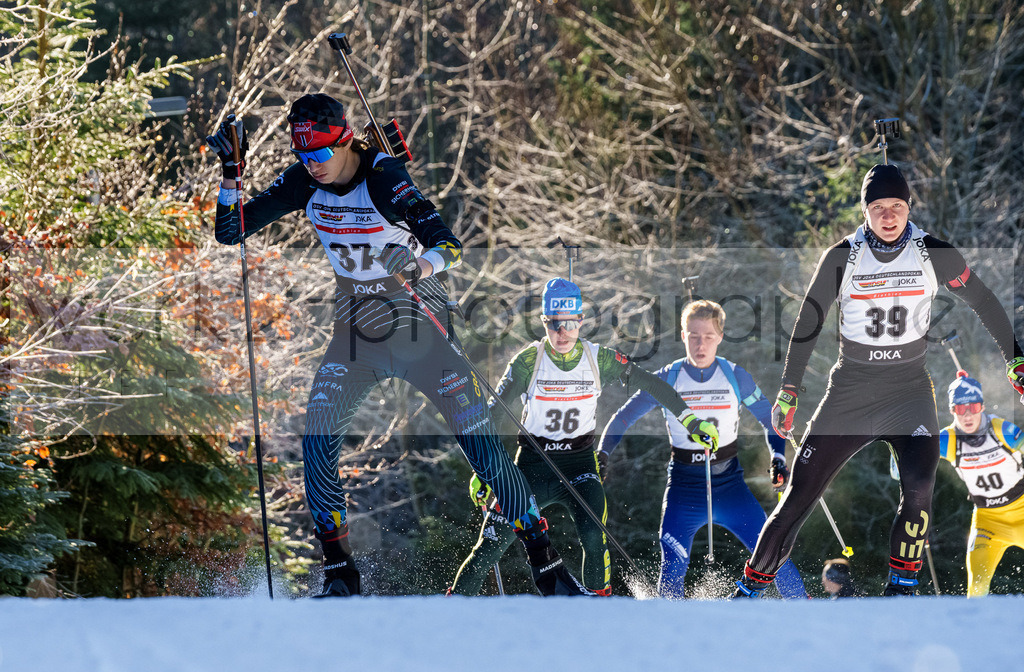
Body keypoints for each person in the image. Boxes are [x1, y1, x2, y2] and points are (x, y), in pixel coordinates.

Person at [206, 94, 592, 596]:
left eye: (320, 156)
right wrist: (233, 172)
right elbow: (231, 231)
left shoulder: (384, 177)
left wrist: (416, 265)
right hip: (357, 332)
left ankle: (547, 567)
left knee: (482, 450)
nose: (312, 167)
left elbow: (448, 244)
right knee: (317, 440)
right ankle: (340, 572)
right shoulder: (304, 180)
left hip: (418, 326)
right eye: (303, 157)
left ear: (345, 141)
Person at [731, 164, 1024, 598]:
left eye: (898, 206)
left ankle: (901, 587)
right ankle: (752, 587)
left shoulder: (934, 253)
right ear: (865, 211)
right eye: (879, 207)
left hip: (908, 390)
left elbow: (982, 299)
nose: (889, 216)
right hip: (852, 388)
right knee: (801, 494)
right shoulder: (841, 257)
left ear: (909, 207)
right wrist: (790, 390)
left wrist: (1015, 358)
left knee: (920, 485)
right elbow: (808, 322)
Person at [448, 278, 719, 595]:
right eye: (553, 324)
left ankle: (597, 608)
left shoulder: (598, 358)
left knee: (593, 534)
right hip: (531, 467)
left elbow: (652, 384)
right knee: (488, 548)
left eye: (568, 324)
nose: (561, 333)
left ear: (580, 321)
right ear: (544, 323)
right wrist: (484, 468)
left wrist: (691, 420)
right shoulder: (528, 361)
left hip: (579, 466)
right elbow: (493, 415)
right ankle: (451, 611)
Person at [598, 300, 807, 599]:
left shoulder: (735, 375)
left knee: (774, 553)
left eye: (708, 336)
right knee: (672, 568)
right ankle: (674, 633)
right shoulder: (667, 378)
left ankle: (806, 615)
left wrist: (777, 457)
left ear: (720, 337)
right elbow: (622, 418)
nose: (700, 344)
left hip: (730, 486)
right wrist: (603, 453)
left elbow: (768, 420)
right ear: (683, 336)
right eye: (693, 335)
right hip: (685, 487)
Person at [939, 372, 1024, 597]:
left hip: (1022, 511)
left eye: (973, 408)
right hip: (988, 522)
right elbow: (913, 455)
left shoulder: (1002, 430)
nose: (967, 415)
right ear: (952, 411)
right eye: (960, 409)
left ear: (982, 407)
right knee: (976, 586)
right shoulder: (948, 440)